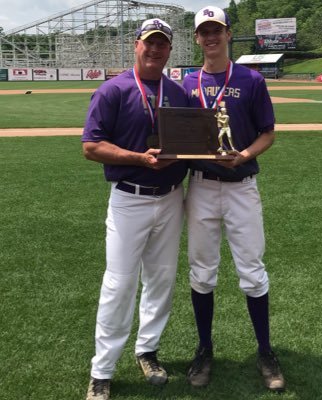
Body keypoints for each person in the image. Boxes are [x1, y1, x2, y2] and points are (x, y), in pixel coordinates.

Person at [82, 18, 188, 400]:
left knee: (161, 280)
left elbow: (193, 144)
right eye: (150, 42)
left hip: (172, 196)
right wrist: (138, 158)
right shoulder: (113, 90)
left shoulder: (178, 93)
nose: (155, 49)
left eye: (163, 44)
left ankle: (148, 351)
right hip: (129, 197)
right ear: (136, 44)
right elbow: (91, 147)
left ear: (169, 50)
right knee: (120, 283)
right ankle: (102, 370)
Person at [182, 6, 285, 392]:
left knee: (252, 272)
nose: (210, 37)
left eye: (217, 30)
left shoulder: (251, 80)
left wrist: (243, 155)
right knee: (201, 271)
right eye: (204, 31)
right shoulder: (186, 83)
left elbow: (268, 133)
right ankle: (204, 348)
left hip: (242, 185)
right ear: (197, 38)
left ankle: (265, 350)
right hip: (203, 186)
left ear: (228, 34)